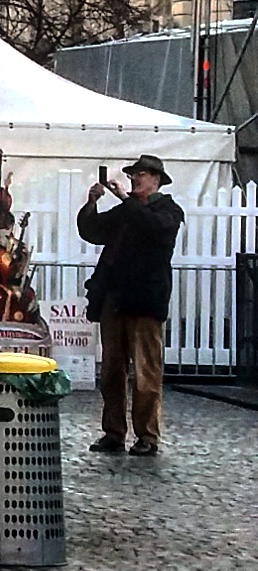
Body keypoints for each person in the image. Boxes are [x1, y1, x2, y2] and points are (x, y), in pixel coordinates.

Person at [78, 152, 183, 458]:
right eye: (134, 174)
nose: (135, 178)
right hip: (115, 299)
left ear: (156, 180)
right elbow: (93, 231)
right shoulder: (128, 210)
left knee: (146, 371)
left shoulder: (168, 211)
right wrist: (91, 203)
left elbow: (154, 228)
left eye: (142, 174)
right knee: (111, 370)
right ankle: (113, 431)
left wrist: (126, 198)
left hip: (145, 300)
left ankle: (147, 435)